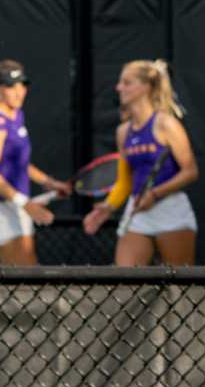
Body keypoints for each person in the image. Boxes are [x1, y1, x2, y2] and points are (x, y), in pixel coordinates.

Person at [84, 58, 197, 265]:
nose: (119, 88)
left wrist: (154, 194)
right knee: (125, 284)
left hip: (171, 211)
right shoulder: (122, 132)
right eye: (120, 82)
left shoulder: (167, 124)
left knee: (182, 290)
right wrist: (108, 207)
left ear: (146, 87)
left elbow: (190, 171)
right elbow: (125, 181)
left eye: (127, 83)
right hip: (138, 213)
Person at [0, 59, 70, 266]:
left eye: (22, 85)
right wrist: (25, 203)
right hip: (0, 209)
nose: (19, 91)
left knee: (25, 284)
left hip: (16, 206)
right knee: (23, 286)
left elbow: (21, 164)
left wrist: (50, 183)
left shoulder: (16, 115)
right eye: (11, 86)